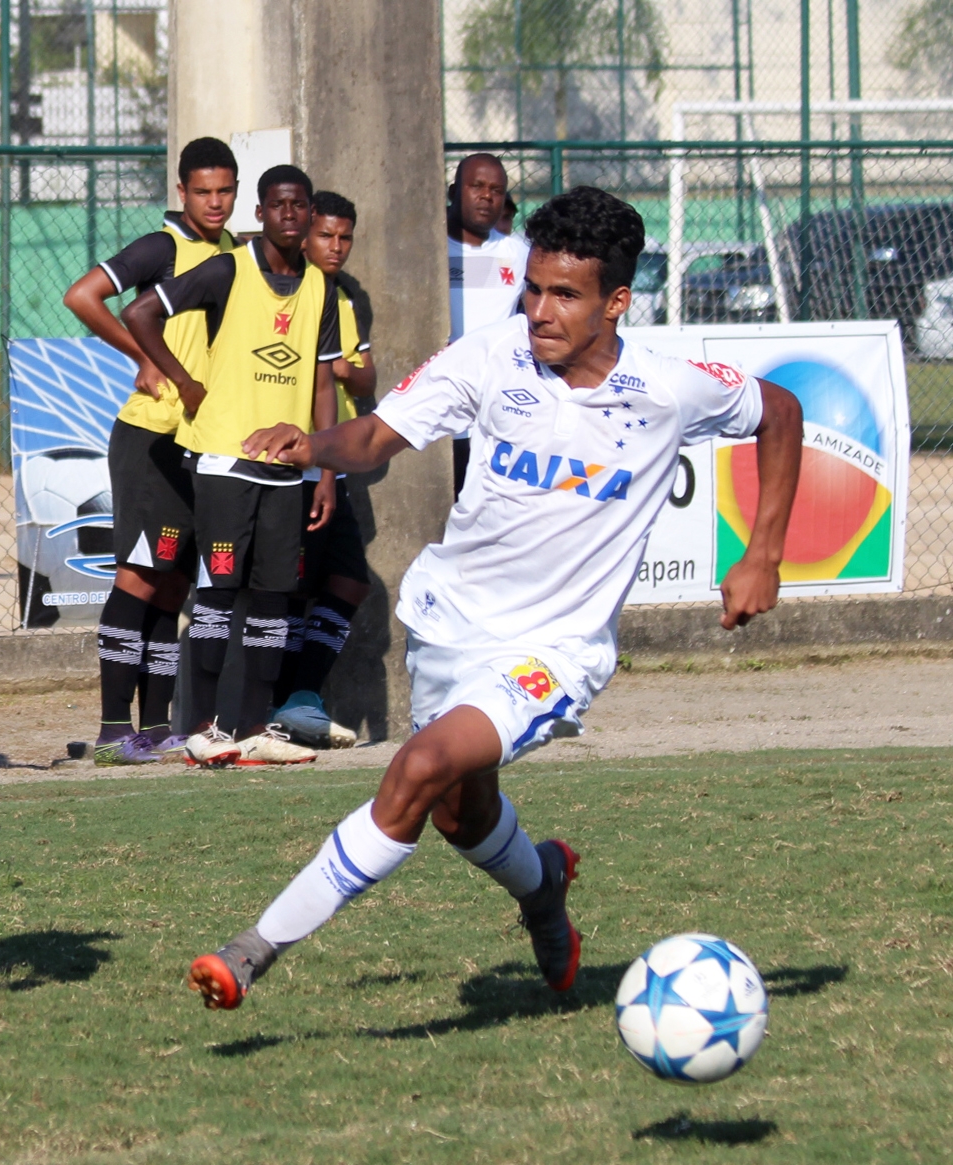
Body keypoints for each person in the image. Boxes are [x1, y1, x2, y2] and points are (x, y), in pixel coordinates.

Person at [187, 186, 803, 1011]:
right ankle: (544, 886)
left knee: (419, 769)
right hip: (451, 628)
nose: (540, 311)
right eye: (534, 288)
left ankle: (251, 951)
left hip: (553, 652)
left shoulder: (670, 389)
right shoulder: (491, 356)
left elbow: (783, 411)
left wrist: (762, 555)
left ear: (617, 302)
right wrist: (313, 445)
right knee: (458, 814)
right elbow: (376, 435)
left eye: (565, 295)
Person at [122, 164, 342, 769]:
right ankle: (203, 728)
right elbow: (140, 313)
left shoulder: (322, 287)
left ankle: (254, 727)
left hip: (288, 471)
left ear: (310, 213)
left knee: (274, 598)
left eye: (300, 205)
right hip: (223, 461)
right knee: (218, 593)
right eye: (279, 205)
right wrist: (185, 381)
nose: (290, 215)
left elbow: (323, 382)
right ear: (262, 212)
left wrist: (324, 466)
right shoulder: (227, 268)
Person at [61, 136, 239, 766]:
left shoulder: (236, 256)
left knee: (173, 586)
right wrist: (142, 356)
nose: (215, 202)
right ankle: (113, 730)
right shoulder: (163, 247)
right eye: (203, 191)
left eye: (225, 191)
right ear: (182, 192)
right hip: (152, 437)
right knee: (139, 576)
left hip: (203, 441)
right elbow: (82, 296)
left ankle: (156, 729)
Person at [270, 190, 375, 750]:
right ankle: (280, 702)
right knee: (289, 587)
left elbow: (361, 376)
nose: (336, 247)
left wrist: (345, 367)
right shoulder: (290, 292)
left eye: (345, 237)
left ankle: (298, 696)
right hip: (296, 461)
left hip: (333, 461)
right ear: (303, 235)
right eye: (326, 236)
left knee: (349, 580)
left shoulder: (344, 297)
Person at [448, 153, 528, 495]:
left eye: (496, 189)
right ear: (454, 191)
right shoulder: (426, 252)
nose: (487, 196)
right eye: (477, 186)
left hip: (495, 423)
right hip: (441, 416)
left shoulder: (520, 254)